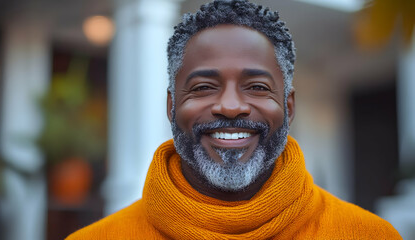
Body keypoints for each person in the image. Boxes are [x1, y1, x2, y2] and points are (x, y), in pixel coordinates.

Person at [67, 0, 402, 239]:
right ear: (172, 105)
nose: (230, 106)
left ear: (289, 105)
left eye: (256, 87)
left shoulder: (370, 235)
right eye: (203, 87)